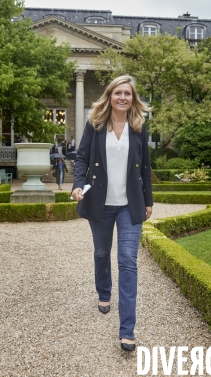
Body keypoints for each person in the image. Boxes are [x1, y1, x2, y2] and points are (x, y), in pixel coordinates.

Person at [71, 75, 153, 352]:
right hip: (101, 203)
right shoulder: (95, 126)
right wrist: (78, 185)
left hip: (130, 206)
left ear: (133, 98)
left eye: (127, 94)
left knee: (128, 260)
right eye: (118, 92)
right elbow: (81, 158)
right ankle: (104, 292)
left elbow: (145, 169)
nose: (122, 97)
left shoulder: (139, 127)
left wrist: (148, 201)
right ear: (109, 96)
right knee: (102, 252)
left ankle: (127, 331)